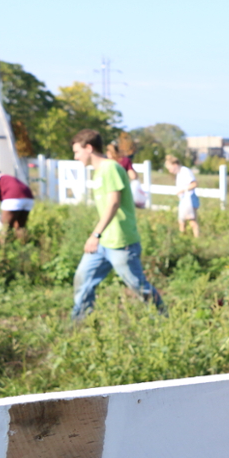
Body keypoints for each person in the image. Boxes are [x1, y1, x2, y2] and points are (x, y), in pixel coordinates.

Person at [70, 129, 163, 320]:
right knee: (83, 280)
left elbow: (114, 202)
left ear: (89, 148)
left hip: (121, 242)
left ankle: (164, 319)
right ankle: (77, 325)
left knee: (138, 286)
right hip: (104, 242)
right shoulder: (98, 172)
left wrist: (95, 234)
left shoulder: (110, 168)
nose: (75, 157)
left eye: (77, 151)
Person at [0, 171, 35, 240]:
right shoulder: (7, 177)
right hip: (29, 198)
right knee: (20, 226)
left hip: (13, 198)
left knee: (5, 227)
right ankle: (24, 247)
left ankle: (2, 249)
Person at [164, 155, 200, 237]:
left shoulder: (185, 171)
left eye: (170, 168)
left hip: (190, 199)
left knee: (192, 221)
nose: (170, 171)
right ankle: (183, 238)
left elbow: (194, 184)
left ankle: (196, 238)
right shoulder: (179, 173)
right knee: (181, 221)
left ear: (175, 165)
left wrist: (183, 190)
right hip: (184, 200)